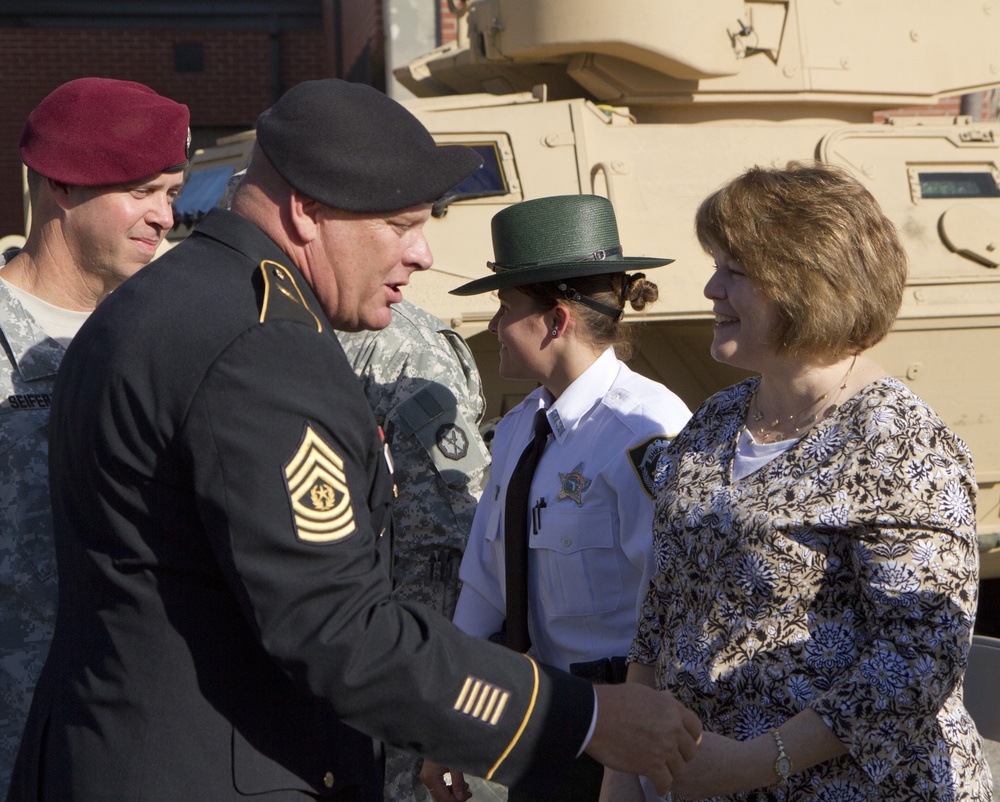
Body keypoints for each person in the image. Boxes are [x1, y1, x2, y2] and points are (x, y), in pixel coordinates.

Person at [7, 79, 702, 802]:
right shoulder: (261, 350)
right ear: (308, 214)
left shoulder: (158, 301)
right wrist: (578, 716)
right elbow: (338, 628)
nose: (424, 253)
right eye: (400, 225)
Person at [602, 162, 994, 802]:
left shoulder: (900, 442)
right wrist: (624, 769)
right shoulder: (716, 422)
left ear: (805, 285)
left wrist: (759, 763)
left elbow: (920, 656)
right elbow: (664, 609)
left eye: (734, 271)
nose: (709, 288)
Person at [421, 194, 692, 802]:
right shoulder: (521, 428)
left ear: (556, 320)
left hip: (629, 739)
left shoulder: (646, 431)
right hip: (547, 726)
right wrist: (447, 726)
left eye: (505, 306)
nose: (493, 325)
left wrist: (628, 768)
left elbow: (680, 611)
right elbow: (486, 588)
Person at [0, 77, 189, 792]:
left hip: (130, 742)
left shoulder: (166, 339)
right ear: (62, 187)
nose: (164, 217)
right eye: (140, 191)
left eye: (171, 193)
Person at [335, 299, 491, 802]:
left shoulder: (404, 349)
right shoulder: (281, 319)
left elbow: (442, 545)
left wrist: (432, 718)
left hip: (389, 681)